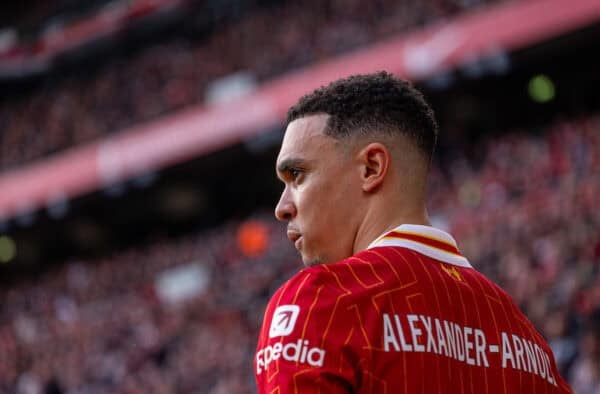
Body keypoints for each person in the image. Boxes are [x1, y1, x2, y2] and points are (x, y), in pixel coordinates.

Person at [254, 71, 572, 393]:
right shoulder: (525, 340)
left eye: (297, 175)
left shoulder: (322, 303)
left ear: (371, 168)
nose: (282, 207)